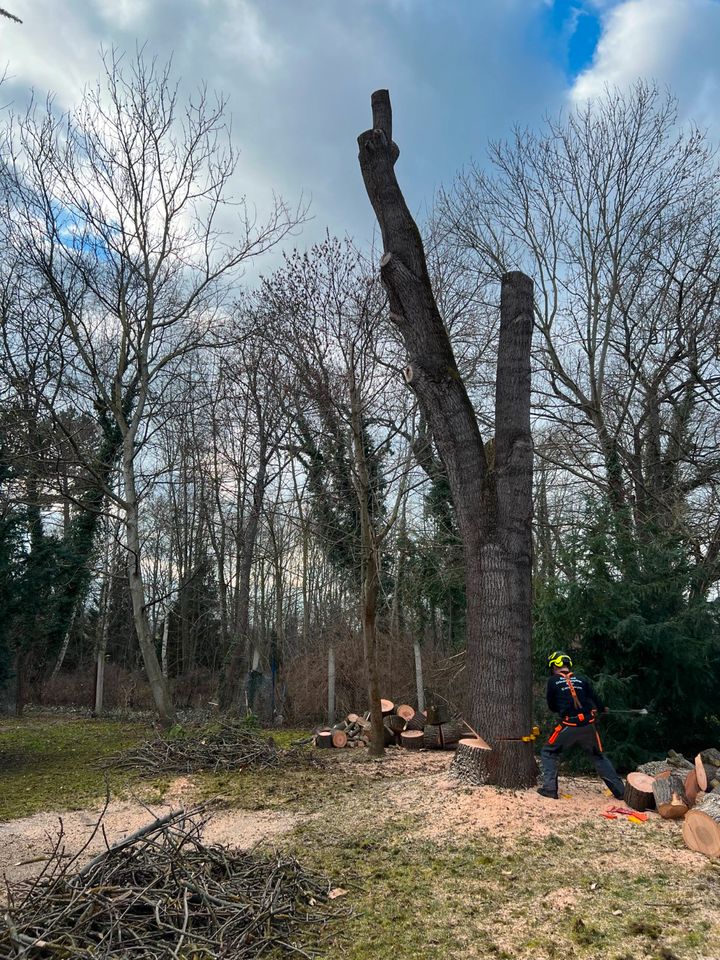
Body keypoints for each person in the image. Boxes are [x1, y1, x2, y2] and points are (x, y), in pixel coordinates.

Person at [537, 651, 625, 800]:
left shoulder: (553, 681)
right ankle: (621, 792)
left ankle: (550, 789)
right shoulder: (581, 679)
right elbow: (595, 698)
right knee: (598, 757)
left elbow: (552, 706)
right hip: (588, 725)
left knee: (548, 752)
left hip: (568, 725)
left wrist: (562, 708)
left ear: (554, 665)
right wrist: (602, 709)